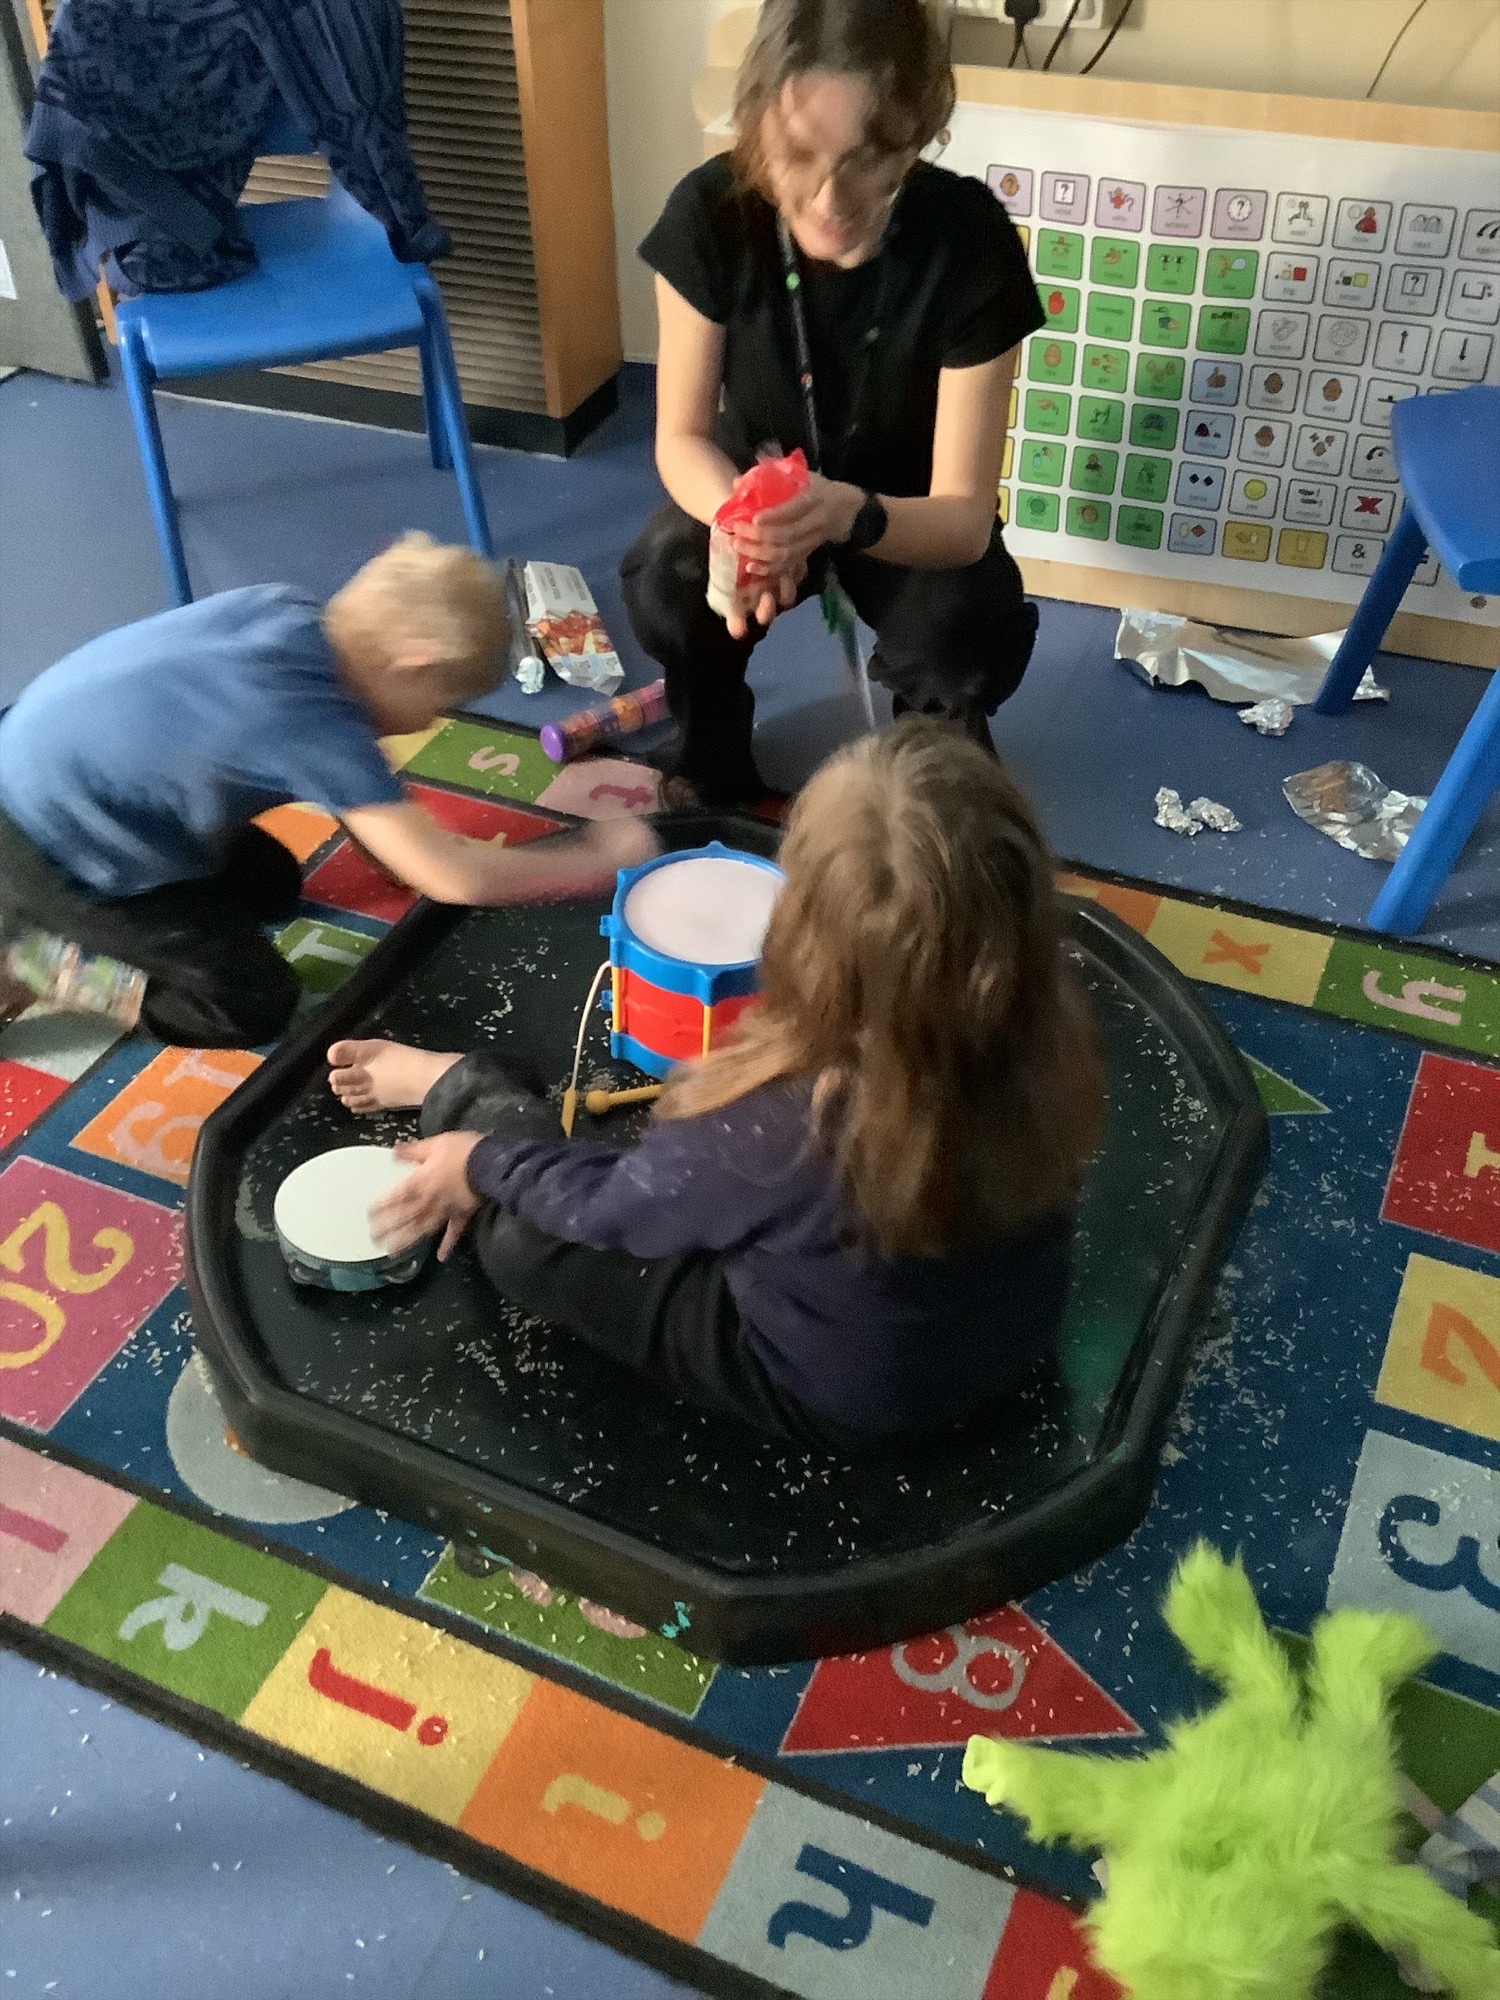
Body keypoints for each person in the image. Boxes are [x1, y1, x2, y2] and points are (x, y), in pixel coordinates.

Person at [329, 720, 1105, 1454]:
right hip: (1009, 1341)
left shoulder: (779, 1121)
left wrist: (479, 1161)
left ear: (803, 936)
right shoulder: (1054, 1021)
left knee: (520, 1243)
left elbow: (612, 1211)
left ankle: (464, 1084)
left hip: (840, 1395)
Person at [620, 0, 1045, 809]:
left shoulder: (969, 240)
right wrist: (744, 522)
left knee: (966, 624)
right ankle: (712, 745)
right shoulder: (709, 213)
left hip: (900, 510)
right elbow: (680, 438)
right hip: (756, 488)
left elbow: (960, 521)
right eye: (795, 155)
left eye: (868, 157)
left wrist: (846, 513)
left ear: (918, 132)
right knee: (669, 575)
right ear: (756, 130)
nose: (827, 198)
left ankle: (933, 765)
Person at [0, 535, 653, 1049]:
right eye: (439, 704)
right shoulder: (311, 722)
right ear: (412, 666)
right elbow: (455, 879)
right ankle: (35, 960)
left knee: (273, 887)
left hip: (51, 777)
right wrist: (597, 862)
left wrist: (391, 844)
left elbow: (356, 781)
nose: (429, 723)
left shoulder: (290, 611)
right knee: (248, 1003)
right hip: (51, 854)